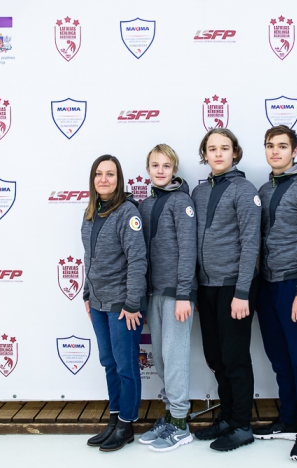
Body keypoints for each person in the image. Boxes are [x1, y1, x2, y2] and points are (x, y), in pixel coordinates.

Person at [252, 125, 297, 461]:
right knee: (280, 359)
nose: (275, 151)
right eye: (270, 145)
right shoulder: (264, 189)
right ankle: (289, 420)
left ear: (294, 151)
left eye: (282, 146)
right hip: (268, 287)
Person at [191, 128, 261, 452]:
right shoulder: (198, 192)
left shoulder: (245, 190)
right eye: (212, 148)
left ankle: (243, 425)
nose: (218, 153)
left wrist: (242, 292)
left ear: (235, 152)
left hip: (234, 286)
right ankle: (228, 417)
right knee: (216, 357)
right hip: (207, 287)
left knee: (235, 358)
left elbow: (251, 243)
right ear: (205, 154)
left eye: (224, 148)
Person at [82, 154, 148, 452]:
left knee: (125, 365)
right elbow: (89, 258)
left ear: (119, 179)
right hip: (98, 303)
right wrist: (87, 293)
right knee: (109, 363)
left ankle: (127, 424)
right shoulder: (91, 213)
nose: (104, 179)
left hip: (123, 305)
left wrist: (132, 303)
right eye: (99, 174)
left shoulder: (127, 212)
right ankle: (114, 418)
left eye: (110, 174)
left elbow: (137, 259)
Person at [137, 144, 197, 452]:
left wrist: (184, 293)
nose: (160, 170)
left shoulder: (181, 201)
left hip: (177, 294)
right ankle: (170, 414)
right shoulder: (145, 204)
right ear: (148, 169)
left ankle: (181, 424)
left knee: (174, 359)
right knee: (160, 360)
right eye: (155, 165)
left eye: (166, 166)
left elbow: (188, 250)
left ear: (174, 169)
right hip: (154, 293)